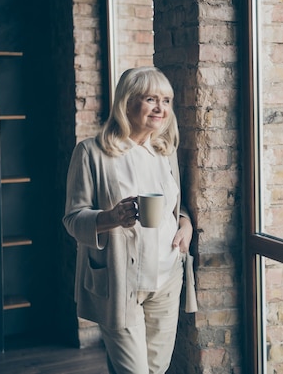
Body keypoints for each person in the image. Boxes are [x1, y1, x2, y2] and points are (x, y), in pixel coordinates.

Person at [63, 66, 195, 374]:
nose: (160, 108)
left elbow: (176, 207)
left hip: (167, 276)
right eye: (150, 98)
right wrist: (109, 218)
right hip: (120, 280)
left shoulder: (165, 151)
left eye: (166, 100)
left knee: (156, 369)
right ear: (126, 102)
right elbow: (72, 219)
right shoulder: (92, 153)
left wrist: (185, 224)